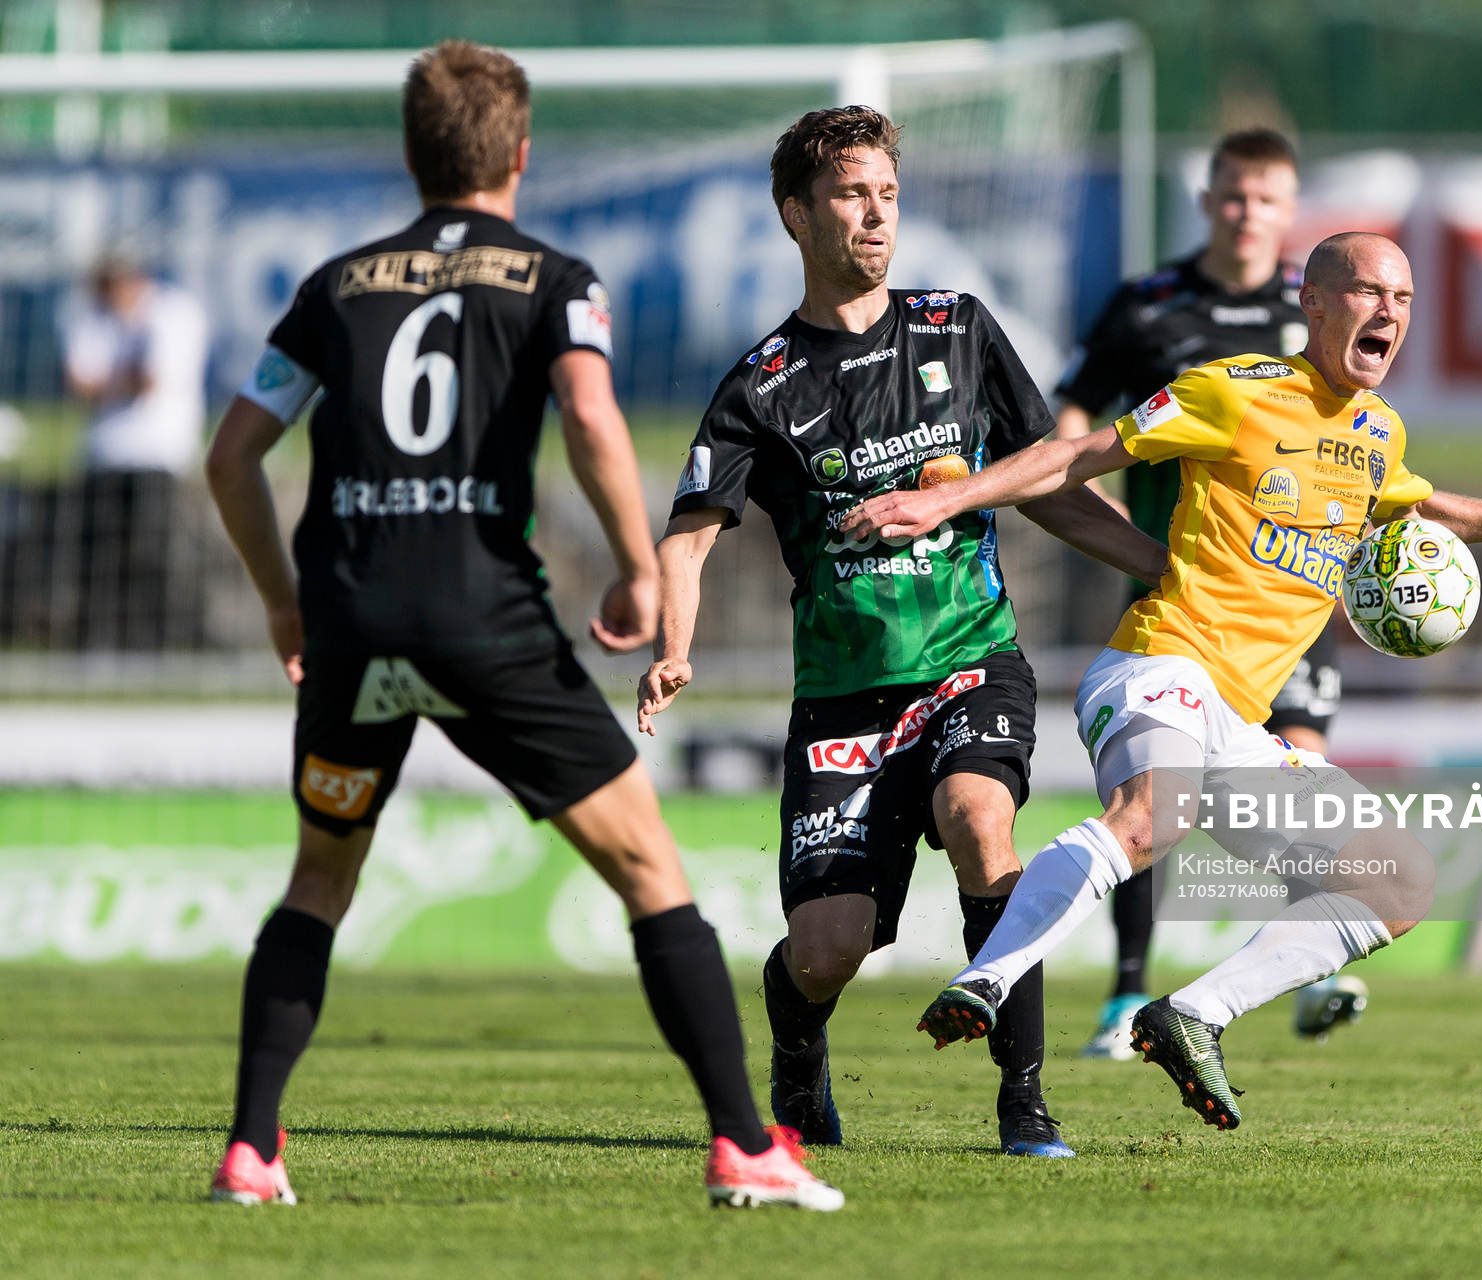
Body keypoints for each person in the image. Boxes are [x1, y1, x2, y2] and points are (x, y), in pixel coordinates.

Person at [201, 40, 840, 1212]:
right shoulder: (554, 277)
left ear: (413, 154)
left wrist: (284, 600)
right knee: (650, 869)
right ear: (521, 153)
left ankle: (250, 1150)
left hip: (353, 624)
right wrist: (641, 567)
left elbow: (232, 453)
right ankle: (746, 1144)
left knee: (318, 881)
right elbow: (590, 415)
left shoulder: (334, 284)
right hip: (480, 619)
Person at [844, 232, 1482, 1129]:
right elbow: (1078, 454)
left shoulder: (1379, 432)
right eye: (1369, 292)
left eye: (1404, 299)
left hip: (1240, 724)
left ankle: (1193, 1015)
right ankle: (989, 978)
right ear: (1314, 302)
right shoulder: (1235, 390)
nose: (1389, 312)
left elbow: (1420, 503)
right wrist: (944, 498)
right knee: (1154, 816)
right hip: (1159, 663)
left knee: (1399, 882)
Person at [639, 106, 1165, 1159]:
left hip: (971, 657)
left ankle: (1025, 1102)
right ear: (796, 214)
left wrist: (1166, 567)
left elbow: (1049, 485)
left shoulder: (957, 328)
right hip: (844, 697)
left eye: (886, 192)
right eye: (850, 194)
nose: (876, 214)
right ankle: (797, 1053)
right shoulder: (759, 386)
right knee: (826, 950)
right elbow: (687, 541)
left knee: (980, 820)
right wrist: (672, 647)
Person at [1053, 129, 1361, 1057]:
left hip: (1292, 599)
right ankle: (1126, 994)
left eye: (1265, 199)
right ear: (1207, 202)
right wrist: (1102, 512)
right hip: (1182, 589)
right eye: (1232, 196)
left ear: (1289, 209)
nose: (1246, 214)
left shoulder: (1313, 311)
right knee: (1159, 796)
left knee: (1301, 772)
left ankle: (1313, 962)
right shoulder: (1148, 306)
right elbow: (1075, 414)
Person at [61, 253, 209, 648]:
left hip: (159, 453)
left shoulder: (172, 312)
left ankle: (160, 641)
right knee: (99, 556)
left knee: (154, 552)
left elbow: (149, 381)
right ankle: (101, 641)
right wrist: (119, 381)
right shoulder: (90, 314)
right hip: (102, 455)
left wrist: (106, 383)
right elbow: (78, 384)